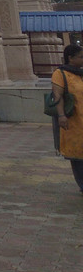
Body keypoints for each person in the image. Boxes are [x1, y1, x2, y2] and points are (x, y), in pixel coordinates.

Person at [51, 44, 83, 195]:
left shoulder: (80, 73)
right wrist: (61, 115)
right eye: (80, 57)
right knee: (77, 154)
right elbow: (58, 96)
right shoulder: (60, 73)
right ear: (70, 58)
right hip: (72, 120)